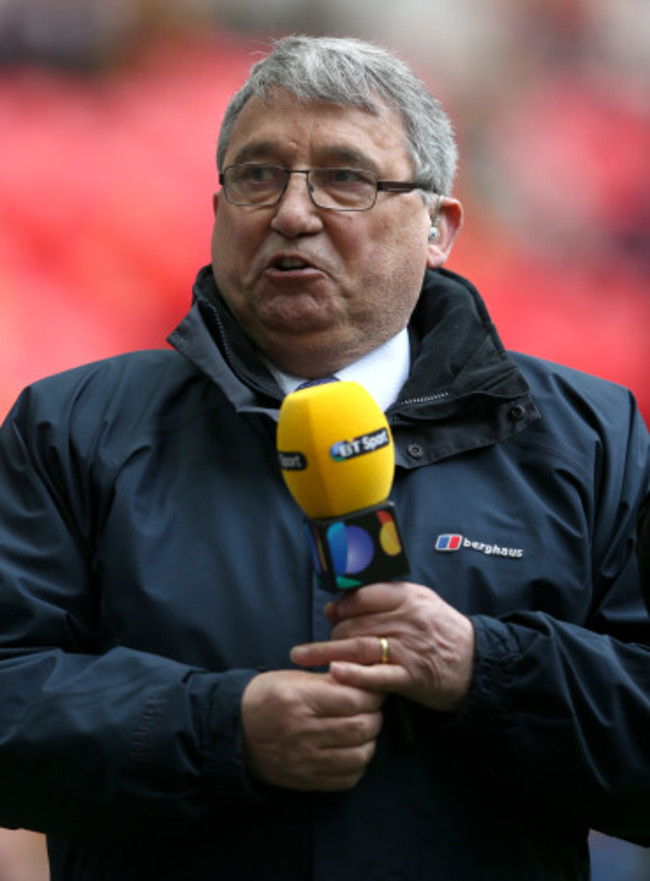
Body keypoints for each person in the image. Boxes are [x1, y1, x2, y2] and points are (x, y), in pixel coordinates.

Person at [0, 34, 649, 881]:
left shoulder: (593, 437)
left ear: (438, 228)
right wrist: (220, 730)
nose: (293, 212)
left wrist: (487, 669)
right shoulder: (73, 426)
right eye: (258, 175)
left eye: (346, 178)